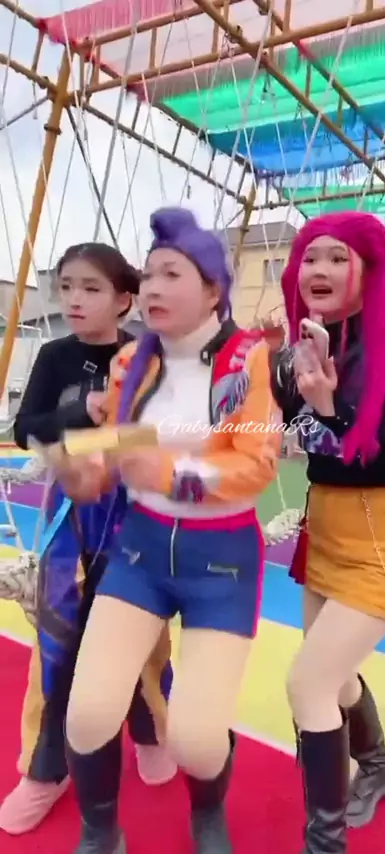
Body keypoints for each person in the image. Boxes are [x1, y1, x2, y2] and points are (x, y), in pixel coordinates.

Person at [48, 207, 281, 854]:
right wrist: (87, 466)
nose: (151, 287)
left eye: (170, 274)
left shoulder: (248, 360)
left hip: (222, 560)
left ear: (212, 289)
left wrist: (175, 475)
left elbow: (258, 463)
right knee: (88, 714)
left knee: (196, 740)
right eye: (147, 275)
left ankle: (208, 810)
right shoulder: (132, 360)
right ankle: (101, 832)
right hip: (141, 551)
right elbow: (122, 442)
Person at [270, 212, 385, 853]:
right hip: (328, 526)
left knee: (307, 683)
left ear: (369, 270)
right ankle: (378, 767)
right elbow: (274, 428)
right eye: (310, 258)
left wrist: (329, 409)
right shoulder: (304, 349)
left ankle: (325, 843)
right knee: (335, 680)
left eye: (338, 257)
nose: (319, 269)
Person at [0, 243, 176, 837]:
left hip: (138, 515)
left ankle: (151, 731)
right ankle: (45, 770)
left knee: (144, 637)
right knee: (58, 639)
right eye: (67, 286)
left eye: (91, 288)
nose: (74, 299)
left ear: (125, 300)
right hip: (71, 517)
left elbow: (168, 435)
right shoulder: (55, 355)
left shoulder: (152, 356)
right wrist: (83, 412)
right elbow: (27, 428)